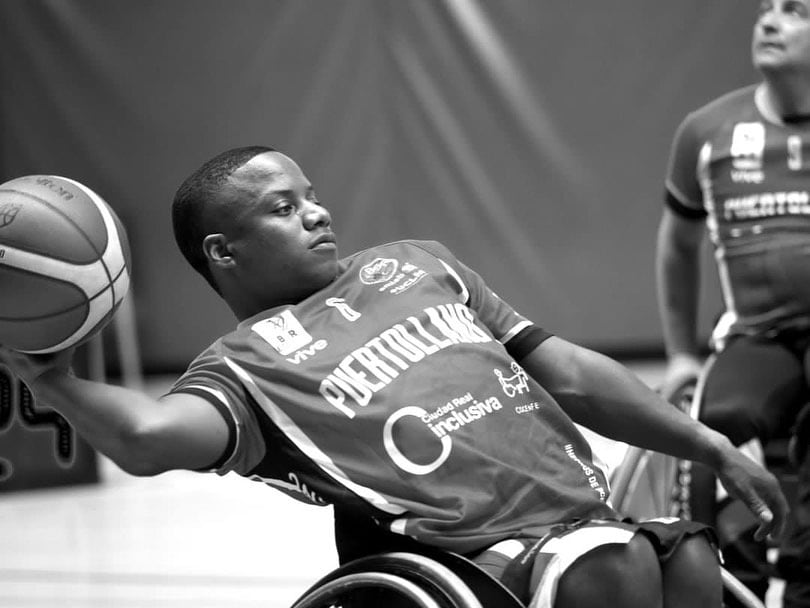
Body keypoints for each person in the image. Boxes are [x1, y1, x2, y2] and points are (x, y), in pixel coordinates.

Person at [0, 146, 788, 608]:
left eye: (312, 197)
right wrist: (54, 380)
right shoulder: (244, 367)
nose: (316, 214)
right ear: (223, 252)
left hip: (587, 517)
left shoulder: (414, 264)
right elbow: (146, 437)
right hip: (474, 557)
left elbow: (573, 375)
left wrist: (707, 444)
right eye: (282, 208)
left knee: (688, 560)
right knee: (608, 575)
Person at [656, 1, 810, 606]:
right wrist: (678, 355)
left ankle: (801, 580)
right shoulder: (706, 132)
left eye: (793, 11)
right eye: (764, 10)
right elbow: (676, 244)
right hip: (757, 333)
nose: (768, 22)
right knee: (720, 419)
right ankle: (741, 587)